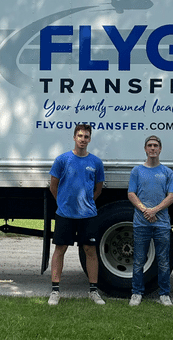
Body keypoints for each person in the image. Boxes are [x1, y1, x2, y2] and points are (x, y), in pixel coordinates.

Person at [48, 124, 105, 306]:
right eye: (80, 136)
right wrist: (62, 202)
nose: (83, 139)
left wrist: (87, 202)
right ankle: (55, 292)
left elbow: (98, 188)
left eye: (86, 136)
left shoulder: (96, 162)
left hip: (88, 215)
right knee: (60, 250)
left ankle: (93, 292)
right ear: (74, 137)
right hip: (65, 214)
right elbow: (53, 186)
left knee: (90, 251)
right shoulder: (62, 160)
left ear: (89, 139)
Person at [127, 135, 173, 306]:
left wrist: (154, 210)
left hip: (161, 223)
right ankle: (136, 293)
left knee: (163, 260)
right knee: (139, 259)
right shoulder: (137, 171)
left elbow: (171, 196)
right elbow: (131, 194)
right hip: (141, 223)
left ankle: (164, 294)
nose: (153, 148)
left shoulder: (167, 172)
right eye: (150, 145)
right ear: (145, 149)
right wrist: (144, 210)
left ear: (160, 149)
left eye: (156, 145)